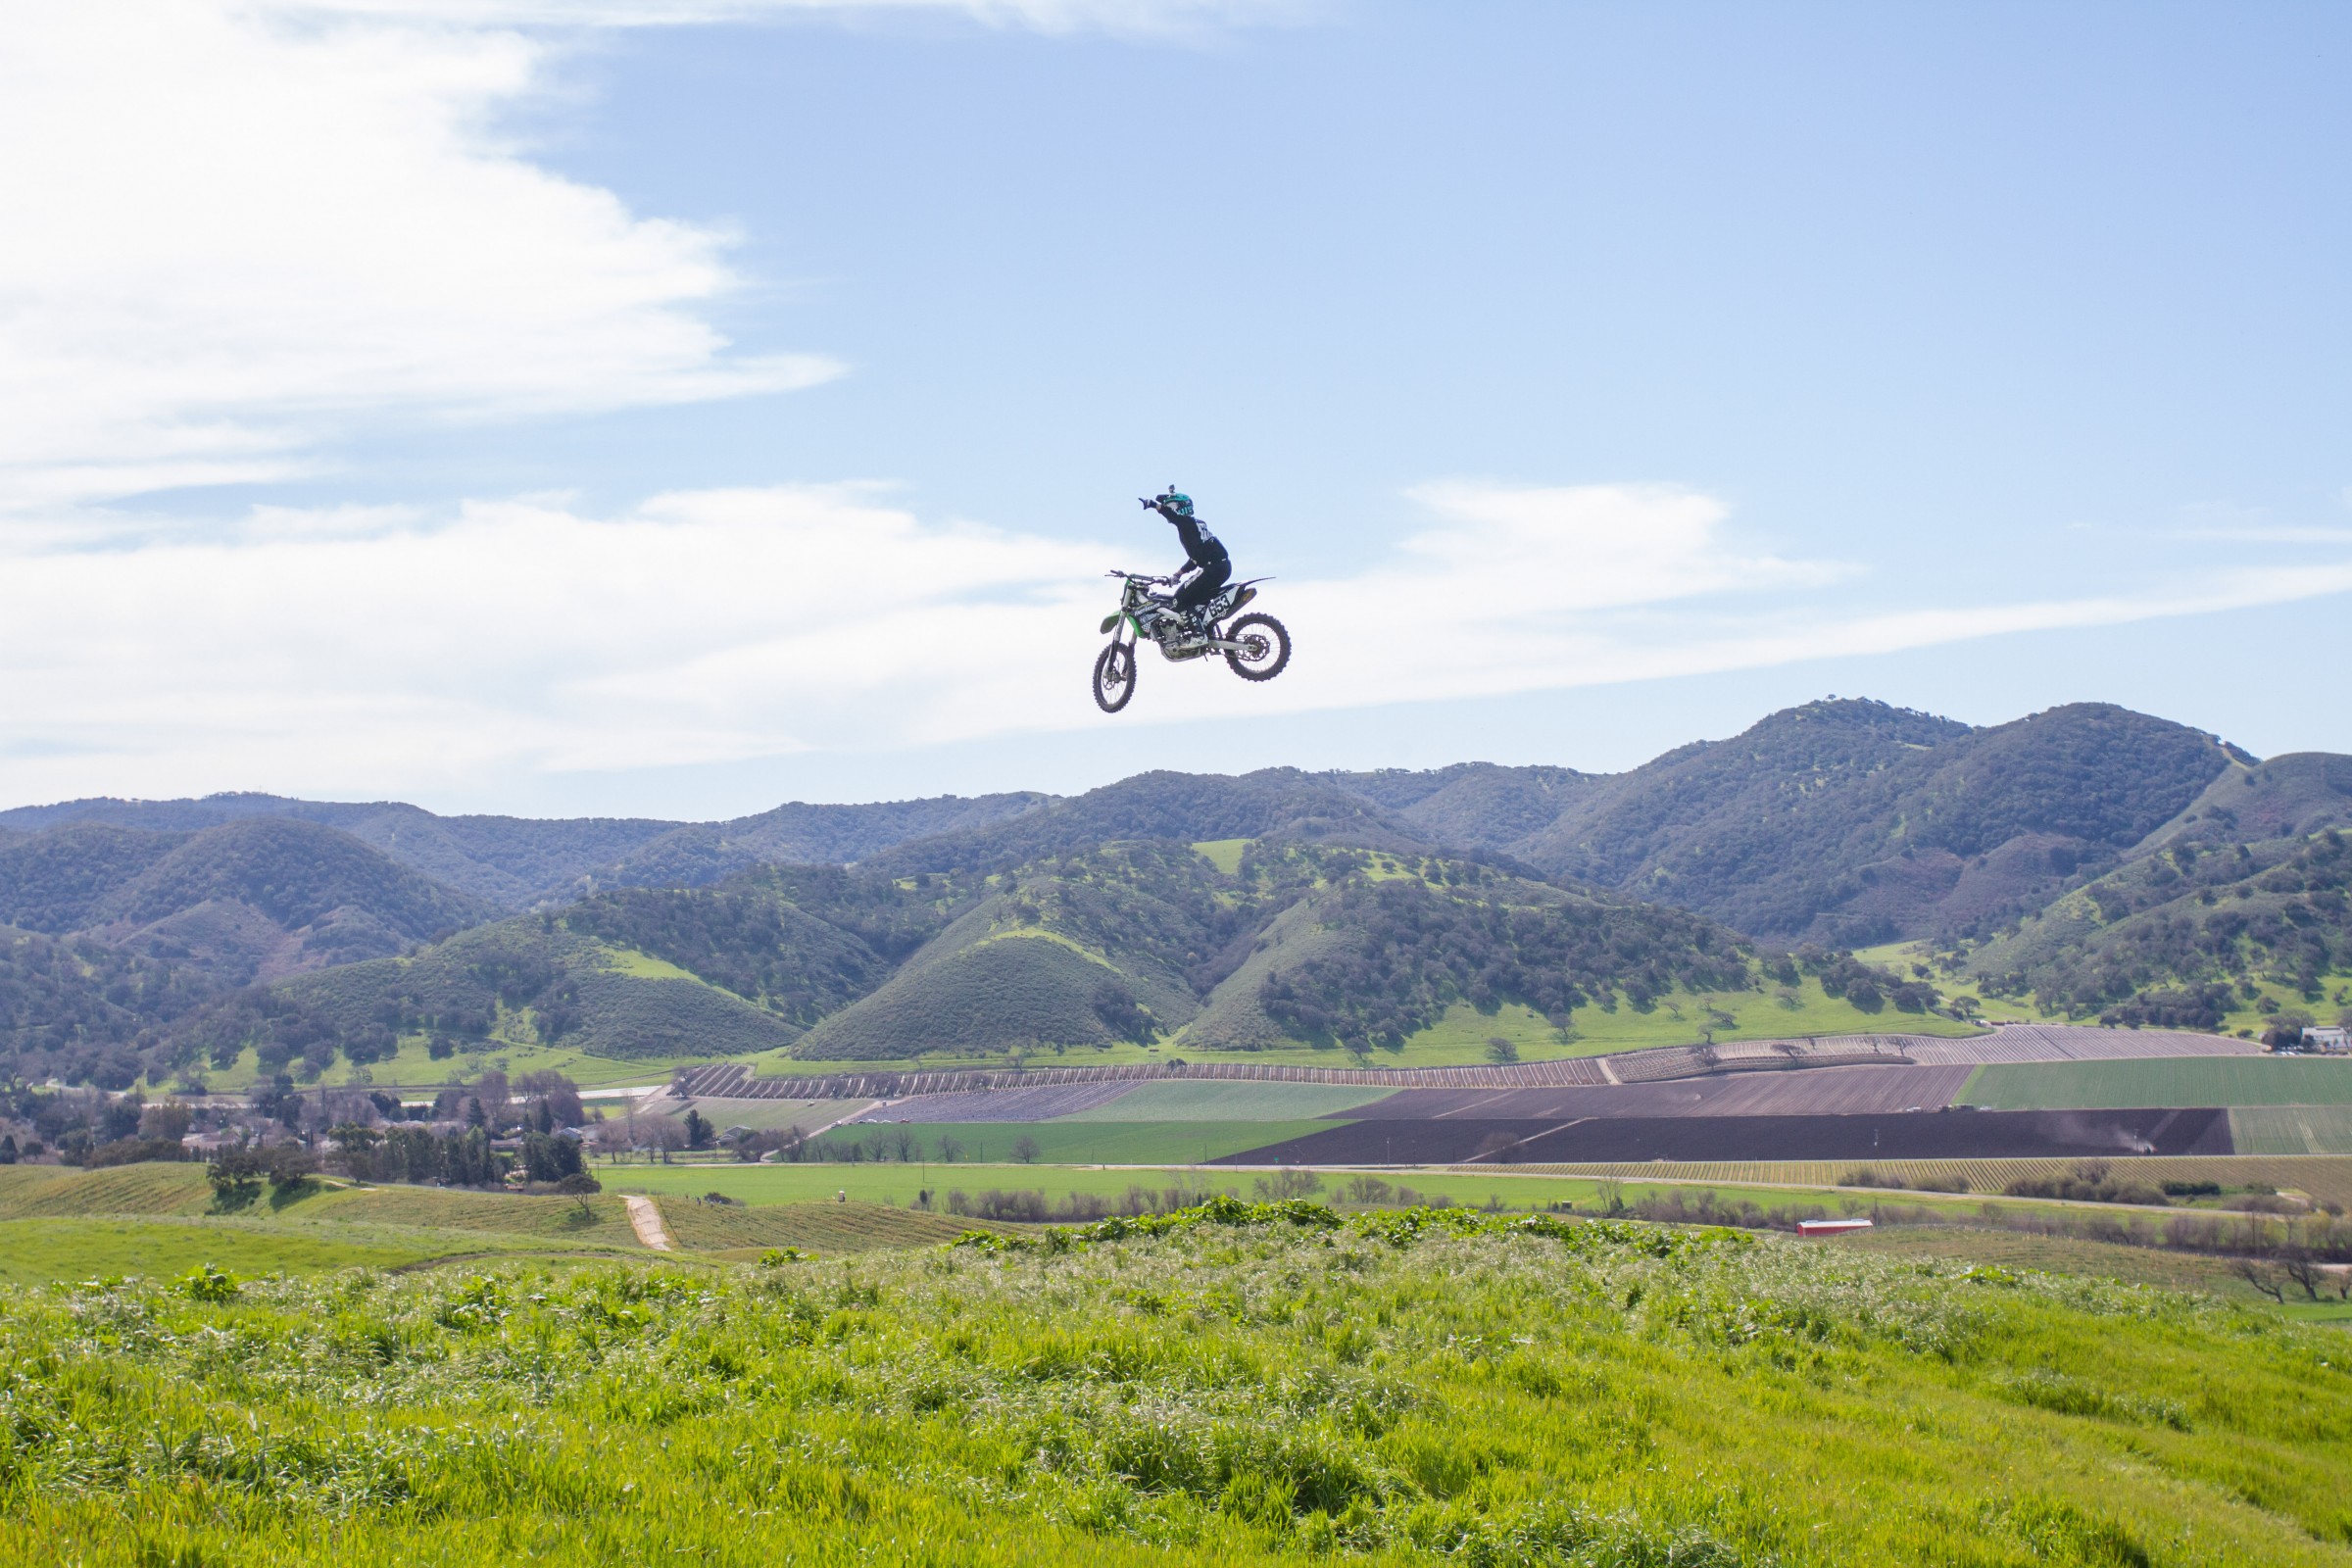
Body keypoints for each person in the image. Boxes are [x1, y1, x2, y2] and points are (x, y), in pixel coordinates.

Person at [1138, 486, 1231, 640]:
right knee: (1197, 601)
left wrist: (1154, 505)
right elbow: (1196, 558)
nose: (1170, 510)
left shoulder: (1186, 522)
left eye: (1172, 506)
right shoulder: (1193, 526)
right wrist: (1178, 574)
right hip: (1221, 566)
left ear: (1181, 507)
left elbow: (1174, 517)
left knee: (1179, 599)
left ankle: (1199, 635)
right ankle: (1208, 632)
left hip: (1213, 568)